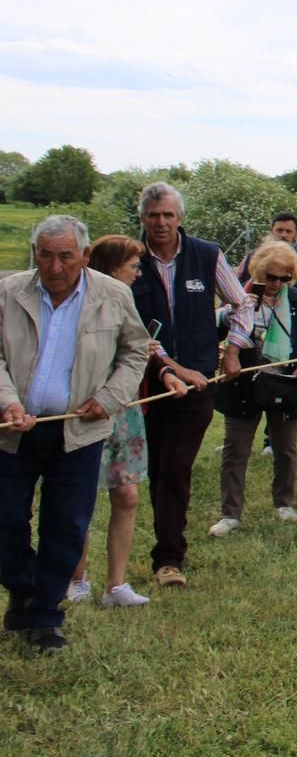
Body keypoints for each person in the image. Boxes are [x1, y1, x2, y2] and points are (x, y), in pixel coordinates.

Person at [1, 217, 149, 652]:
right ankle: (23, 585)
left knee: (65, 526)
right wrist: (7, 401)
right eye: (45, 255)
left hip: (79, 432)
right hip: (14, 431)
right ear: (34, 254)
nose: (55, 265)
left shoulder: (113, 295)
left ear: (84, 256)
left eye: (66, 255)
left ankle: (46, 616)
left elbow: (135, 351)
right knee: (5, 520)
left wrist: (109, 397)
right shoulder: (9, 292)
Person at [130, 182, 251, 588]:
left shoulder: (207, 254)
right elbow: (127, 327)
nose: (161, 222)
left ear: (180, 218)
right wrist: (165, 366)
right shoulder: (131, 261)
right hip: (148, 383)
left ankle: (168, 558)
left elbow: (243, 302)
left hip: (199, 382)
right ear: (142, 218)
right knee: (158, 465)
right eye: (153, 215)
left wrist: (233, 349)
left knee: (175, 466)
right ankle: (166, 539)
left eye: (168, 215)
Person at [67, 236, 187, 608]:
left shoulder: (127, 299)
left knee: (128, 495)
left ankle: (115, 586)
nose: (138, 272)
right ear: (111, 266)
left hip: (125, 411)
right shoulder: (80, 302)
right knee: (78, 498)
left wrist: (162, 367)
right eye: (132, 265)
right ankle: (76, 579)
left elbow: (137, 350)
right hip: (86, 409)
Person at [209, 242, 297, 535]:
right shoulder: (240, 297)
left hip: (284, 386)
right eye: (271, 277)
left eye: (284, 278)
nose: (276, 284)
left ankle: (284, 502)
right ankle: (230, 514)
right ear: (258, 271)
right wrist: (226, 315)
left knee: (286, 449)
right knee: (236, 451)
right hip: (243, 386)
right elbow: (214, 330)